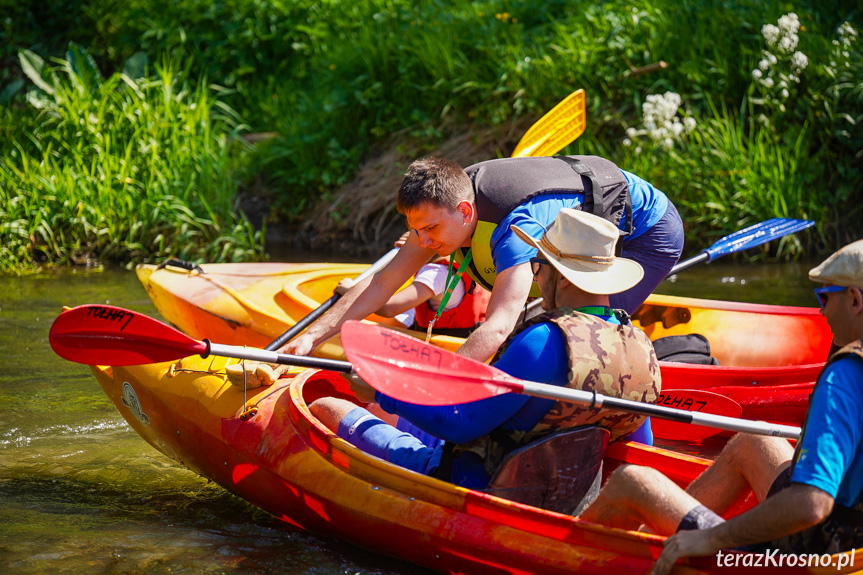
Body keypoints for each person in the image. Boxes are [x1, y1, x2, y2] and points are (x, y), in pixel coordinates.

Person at [308, 209, 661, 489]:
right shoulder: (642, 348)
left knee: (326, 406)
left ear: (563, 276)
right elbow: (639, 448)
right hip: (570, 492)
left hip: (476, 485)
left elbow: (461, 426)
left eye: (540, 268)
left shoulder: (543, 341)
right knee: (397, 418)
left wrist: (385, 394)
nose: (536, 278)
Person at [578, 238, 863, 575]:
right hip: (851, 541)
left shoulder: (844, 378)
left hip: (814, 560)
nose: (821, 309)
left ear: (855, 299)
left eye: (825, 297)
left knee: (633, 481)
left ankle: (560, 554)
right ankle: (669, 542)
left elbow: (811, 504)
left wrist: (712, 539)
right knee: (752, 441)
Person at [281, 155, 683, 363]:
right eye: (415, 229)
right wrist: (312, 337)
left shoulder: (513, 228)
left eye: (431, 230)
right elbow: (382, 283)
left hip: (649, 230)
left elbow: (498, 323)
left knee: (587, 328)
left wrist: (437, 385)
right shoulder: (444, 209)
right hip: (572, 217)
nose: (421, 241)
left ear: (466, 212)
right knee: (545, 319)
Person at [336, 254, 491, 339]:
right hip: (467, 335)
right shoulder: (470, 262)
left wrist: (352, 290)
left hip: (442, 349)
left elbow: (388, 308)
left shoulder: (436, 273)